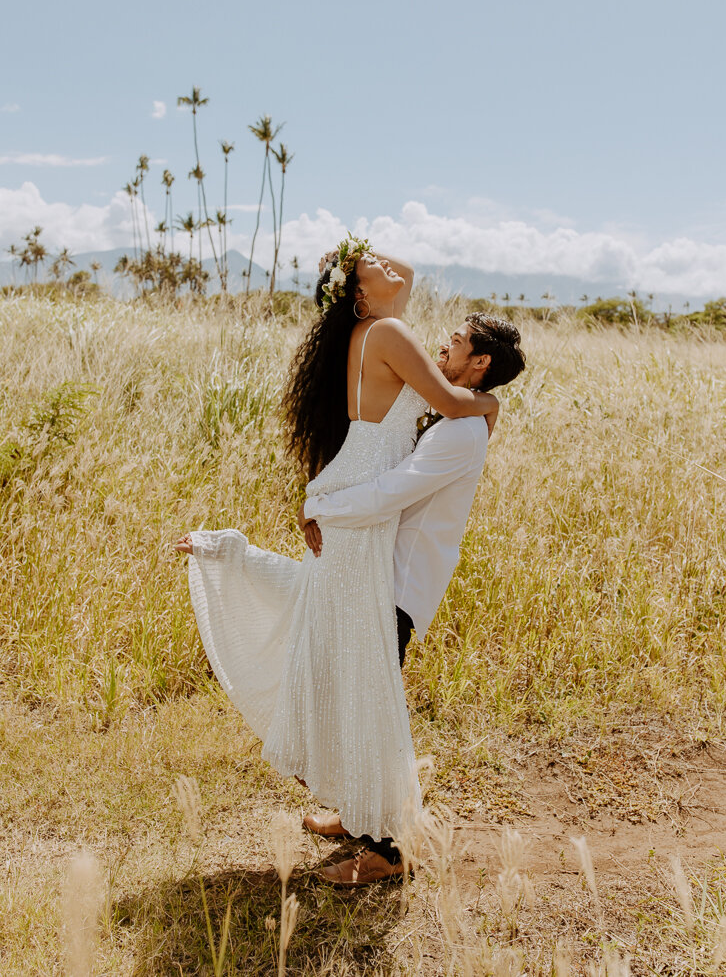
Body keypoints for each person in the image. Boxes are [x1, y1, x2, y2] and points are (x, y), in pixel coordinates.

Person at [174, 236, 497, 885]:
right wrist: (491, 405)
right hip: (356, 506)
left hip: (352, 496)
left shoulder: (366, 332)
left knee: (355, 670)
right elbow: (454, 403)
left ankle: (370, 824)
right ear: (356, 297)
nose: (386, 268)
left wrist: (356, 259)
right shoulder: (389, 331)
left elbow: (403, 271)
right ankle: (377, 833)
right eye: (367, 271)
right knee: (359, 676)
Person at [296, 313, 526, 882]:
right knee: (359, 700)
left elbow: (395, 491)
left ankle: (390, 851)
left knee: (373, 708)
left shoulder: (461, 430)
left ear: (481, 363)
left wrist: (323, 506)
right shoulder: (459, 414)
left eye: (459, 340)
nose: (444, 341)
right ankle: (358, 815)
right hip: (382, 572)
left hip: (399, 585)